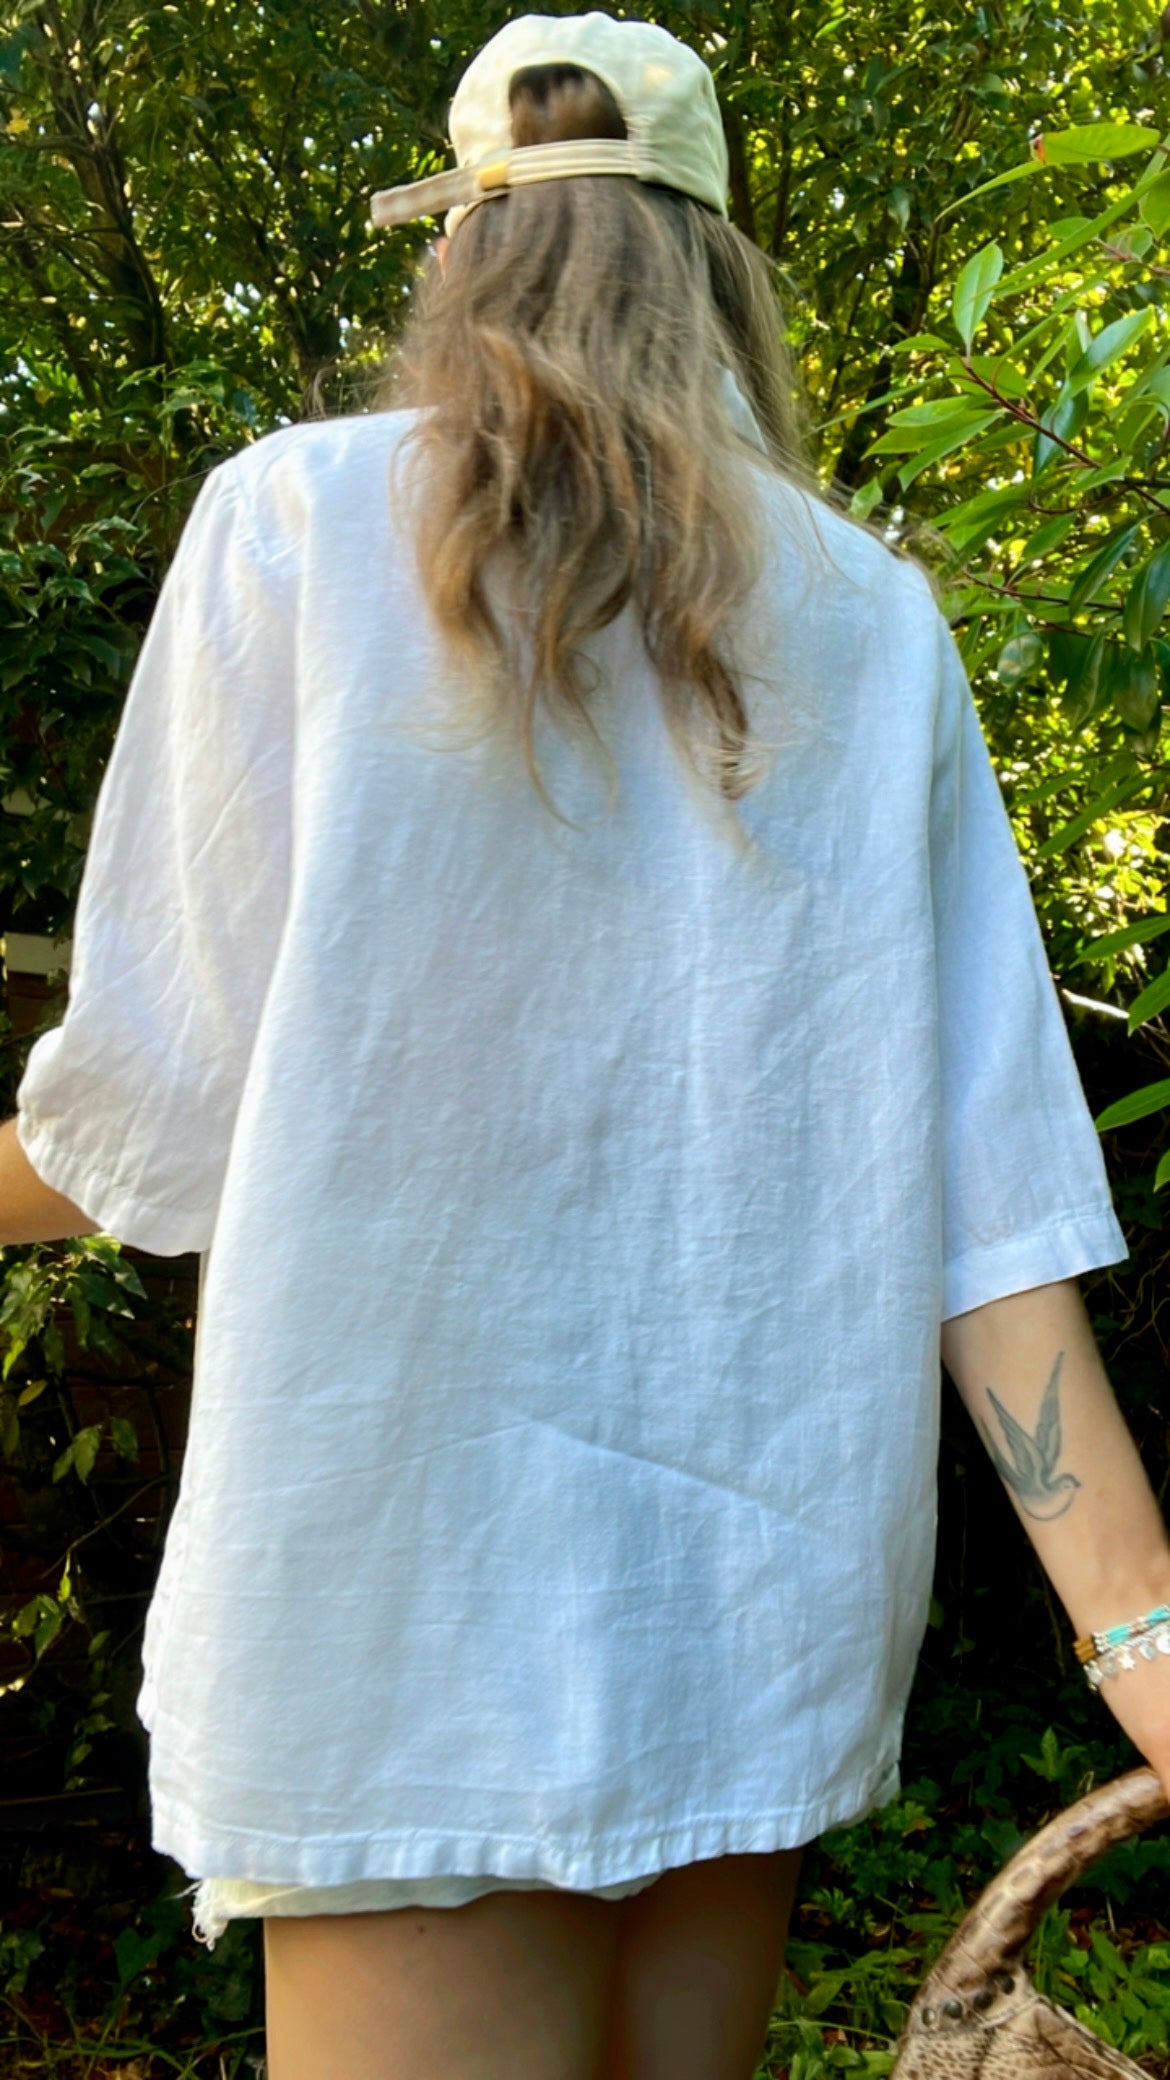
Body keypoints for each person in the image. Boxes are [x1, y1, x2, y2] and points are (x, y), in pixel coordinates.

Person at [1, 12, 1167, 2079]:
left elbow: (140, 1136)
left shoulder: (290, 531)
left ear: (460, 250)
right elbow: (985, 1207)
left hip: (400, 1620)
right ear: (720, 271)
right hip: (750, 1610)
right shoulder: (868, 618)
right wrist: (1144, 1630)